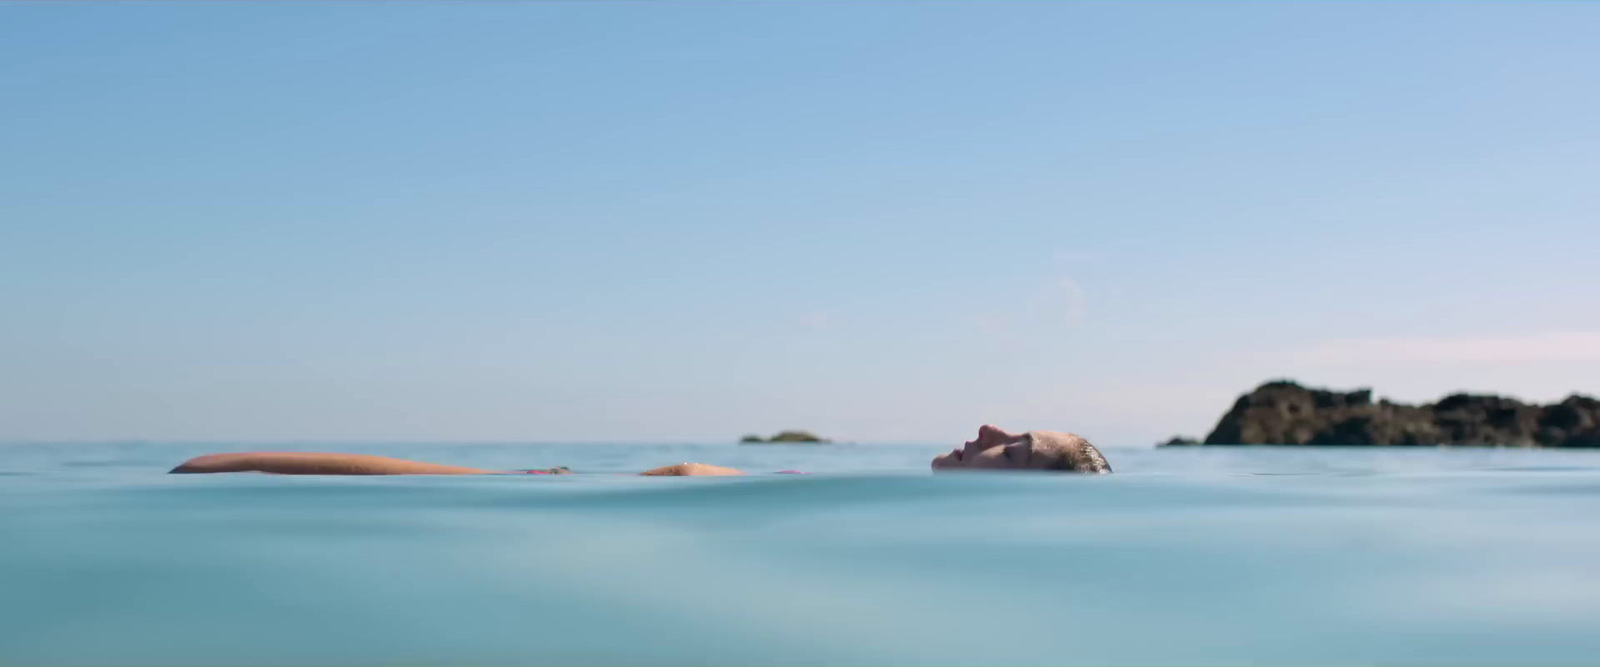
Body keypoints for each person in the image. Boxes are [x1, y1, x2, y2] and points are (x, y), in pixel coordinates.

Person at [168, 425, 1110, 476]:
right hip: (570, 491)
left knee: (235, 463)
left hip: (554, 498)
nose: (987, 431)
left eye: (1014, 446)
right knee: (232, 463)